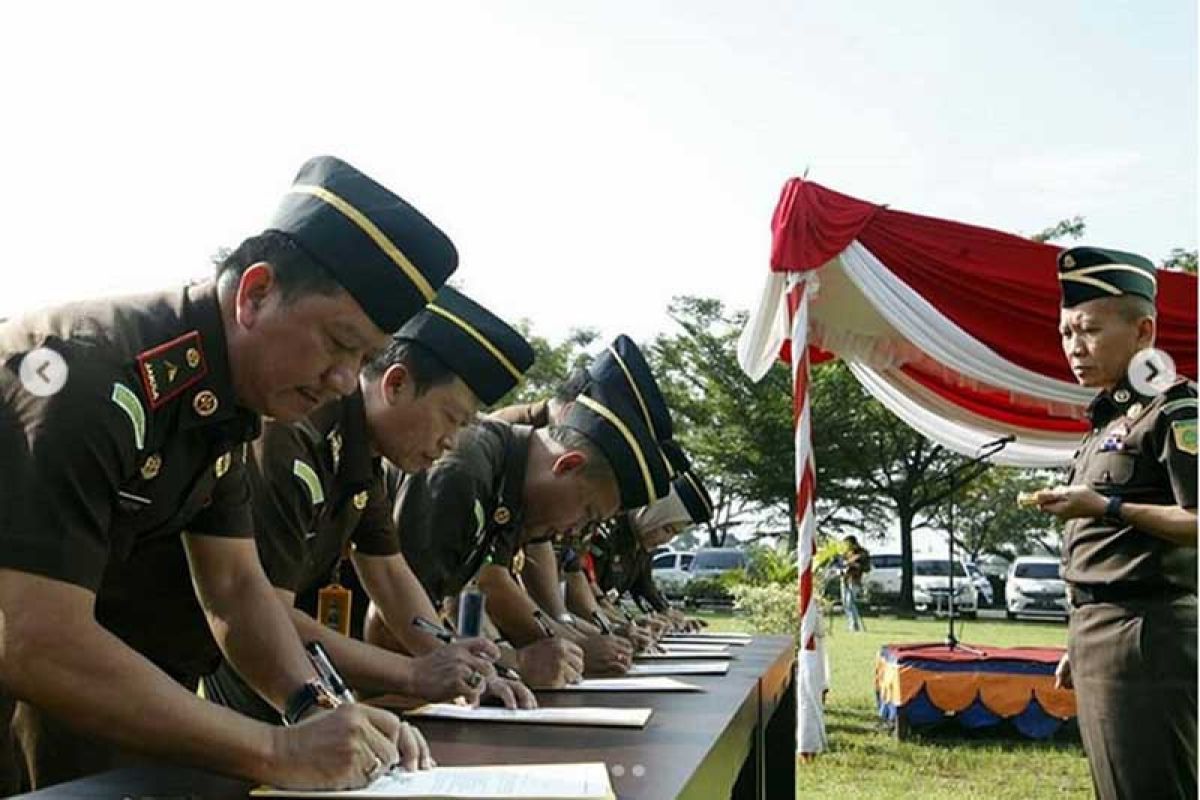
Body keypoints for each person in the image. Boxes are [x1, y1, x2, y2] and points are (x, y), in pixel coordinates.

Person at [0, 155, 456, 790]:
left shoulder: (227, 404)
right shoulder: (84, 375)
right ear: (256, 293)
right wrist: (276, 750)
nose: (346, 381)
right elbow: (35, 637)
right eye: (339, 342)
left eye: (367, 358)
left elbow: (237, 587)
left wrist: (317, 710)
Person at [187, 287, 537, 724]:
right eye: (452, 418)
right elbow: (263, 609)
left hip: (297, 683)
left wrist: (463, 668)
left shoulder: (363, 455)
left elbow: (389, 573)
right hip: (242, 680)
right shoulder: (294, 434)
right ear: (395, 383)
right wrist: (414, 673)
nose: (451, 443)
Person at [368, 378, 672, 680]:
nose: (572, 530)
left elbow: (489, 582)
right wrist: (516, 664)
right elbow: (393, 623)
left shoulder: (513, 484)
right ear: (566, 465)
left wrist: (563, 647)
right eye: (586, 513)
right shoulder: (465, 471)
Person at [1032, 246, 1196, 800]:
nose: (1074, 348)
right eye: (1065, 333)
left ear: (1143, 330)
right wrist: (1076, 641)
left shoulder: (1176, 410)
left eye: (1090, 330)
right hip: (1099, 631)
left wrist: (1108, 506)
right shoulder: (1108, 421)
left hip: (1146, 634)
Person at [839, 535, 870, 632]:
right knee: (845, 603)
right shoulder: (846, 553)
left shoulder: (862, 553)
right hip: (845, 579)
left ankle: (855, 625)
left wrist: (855, 565)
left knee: (850, 602)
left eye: (848, 544)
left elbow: (867, 568)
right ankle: (851, 623)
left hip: (855, 579)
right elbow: (841, 564)